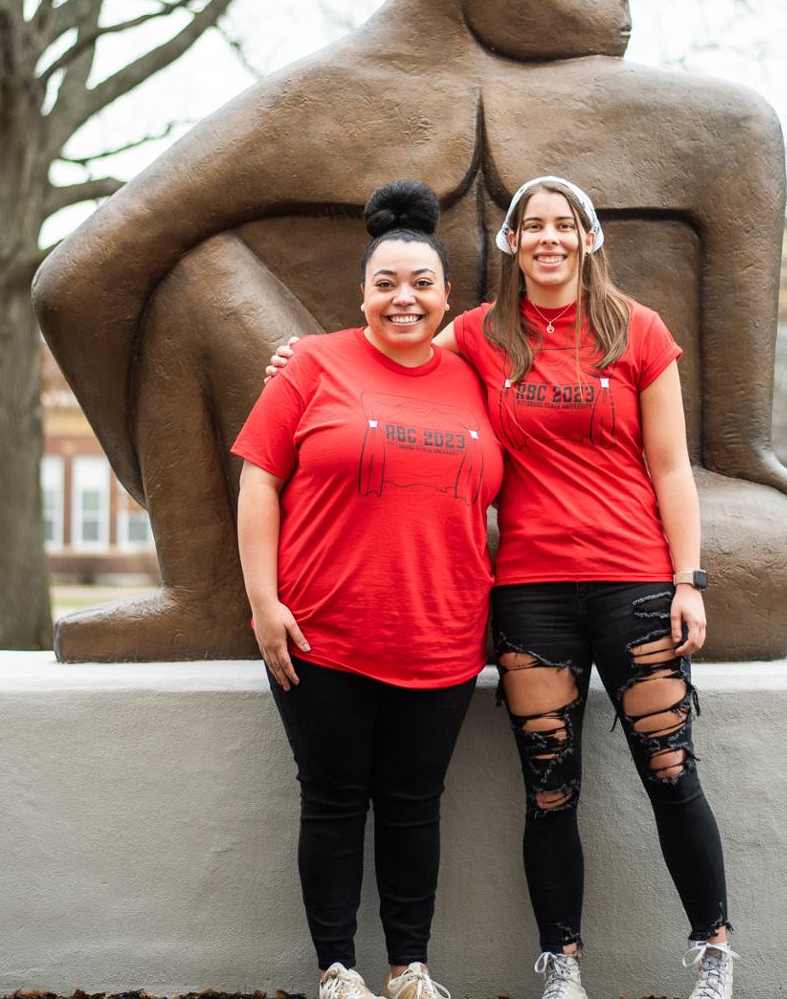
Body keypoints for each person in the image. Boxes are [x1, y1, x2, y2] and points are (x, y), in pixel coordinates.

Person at [270, 176, 737, 999]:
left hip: (633, 582)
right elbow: (388, 347)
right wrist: (298, 361)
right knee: (549, 790)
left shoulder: (639, 331)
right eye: (533, 226)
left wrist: (687, 579)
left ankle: (713, 951)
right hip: (530, 593)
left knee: (671, 772)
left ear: (589, 238)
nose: (549, 238)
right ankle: (563, 964)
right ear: (512, 244)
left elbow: (672, 466)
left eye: (564, 224)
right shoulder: (480, 334)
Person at [233, 180, 504, 999]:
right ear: (362, 294)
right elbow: (258, 481)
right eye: (386, 284)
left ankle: (408, 969)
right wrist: (263, 604)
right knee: (334, 803)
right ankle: (338, 969)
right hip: (324, 636)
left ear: (447, 297)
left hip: (445, 639)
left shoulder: (474, 377)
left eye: (421, 284)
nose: (403, 298)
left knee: (416, 808)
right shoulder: (312, 363)